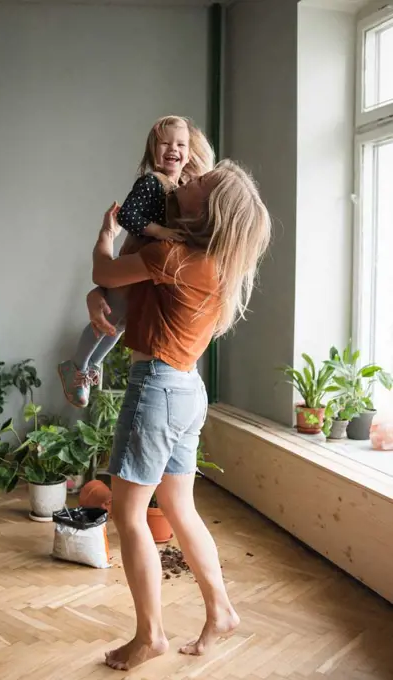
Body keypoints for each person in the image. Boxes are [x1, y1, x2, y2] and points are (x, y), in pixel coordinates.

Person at [88, 159, 271, 672]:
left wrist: (105, 235)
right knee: (180, 508)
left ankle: (150, 636)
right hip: (188, 388)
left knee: (128, 514)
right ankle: (222, 610)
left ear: (208, 210)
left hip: (157, 388)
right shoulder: (217, 262)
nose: (187, 179)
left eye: (200, 184)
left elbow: (105, 271)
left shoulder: (174, 254)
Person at [58, 116, 214, 408]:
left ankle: (89, 365)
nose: (173, 149)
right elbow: (127, 216)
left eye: (181, 144)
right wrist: (161, 232)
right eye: (165, 143)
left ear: (190, 153)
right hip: (139, 257)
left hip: (147, 271)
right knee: (110, 316)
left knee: (118, 324)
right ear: (153, 149)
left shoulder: (180, 186)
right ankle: (77, 366)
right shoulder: (151, 182)